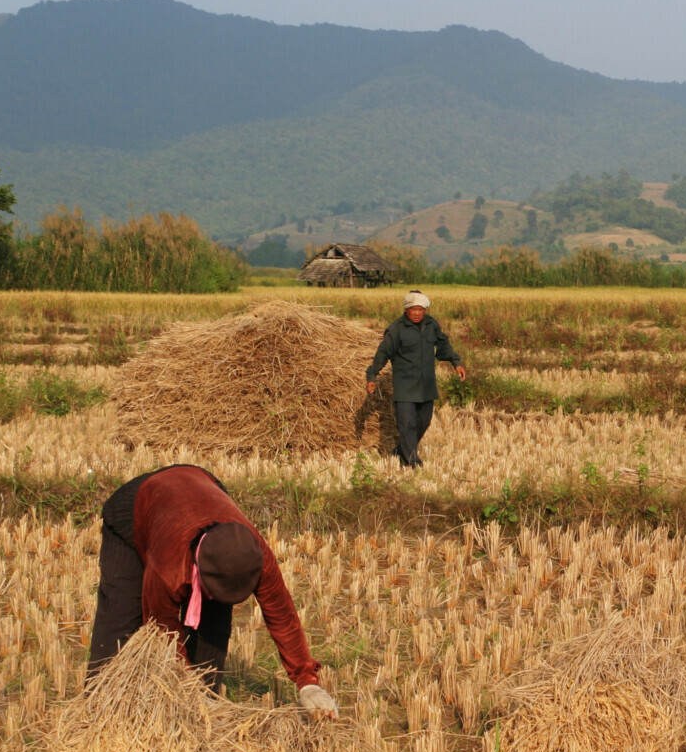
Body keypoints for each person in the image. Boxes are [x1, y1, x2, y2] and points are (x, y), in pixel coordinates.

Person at [86, 463, 338, 718]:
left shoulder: (256, 555)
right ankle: (99, 712)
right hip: (136, 508)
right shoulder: (169, 570)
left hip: (203, 490)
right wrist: (183, 684)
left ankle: (204, 711)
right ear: (198, 569)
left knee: (214, 625)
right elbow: (163, 631)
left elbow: (283, 617)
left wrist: (307, 682)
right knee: (120, 618)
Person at [366, 290, 466, 467]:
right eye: (414, 309)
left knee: (424, 422)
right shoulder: (396, 329)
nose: (418, 313)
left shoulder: (431, 325)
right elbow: (383, 352)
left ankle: (400, 452)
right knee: (407, 425)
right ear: (406, 310)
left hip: (426, 386)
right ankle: (412, 461)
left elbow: (443, 343)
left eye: (421, 309)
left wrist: (455, 362)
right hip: (405, 386)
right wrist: (372, 374)